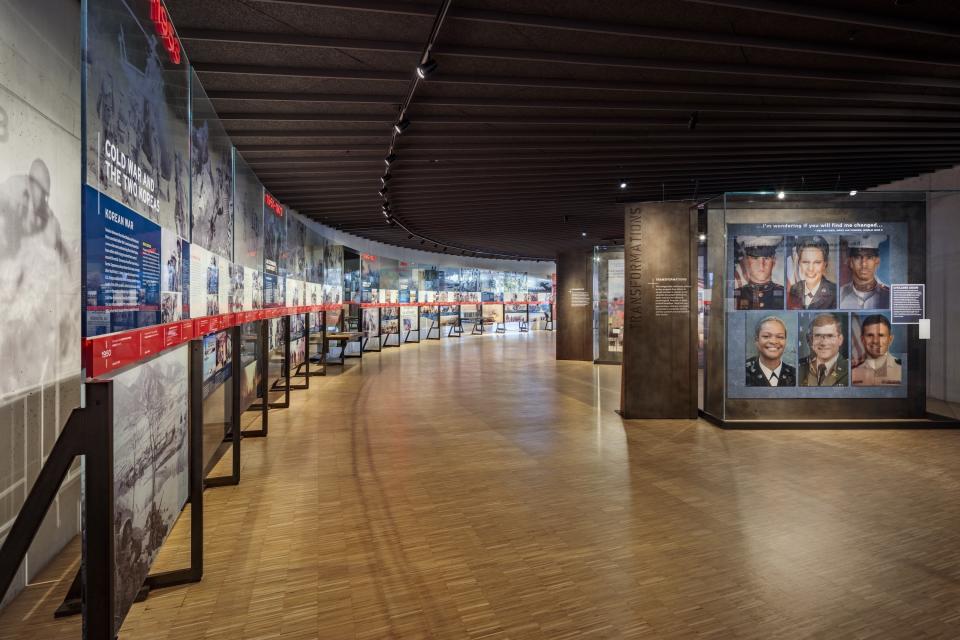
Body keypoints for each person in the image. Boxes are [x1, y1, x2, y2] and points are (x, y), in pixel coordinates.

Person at [839, 235, 890, 309]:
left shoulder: (891, 295)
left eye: (869, 257)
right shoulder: (839, 295)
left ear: (877, 261)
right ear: (850, 262)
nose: (864, 264)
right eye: (857, 257)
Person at [798, 313, 848, 386]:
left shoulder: (852, 370)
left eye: (830, 336)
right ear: (810, 340)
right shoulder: (798, 368)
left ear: (840, 339)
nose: (823, 343)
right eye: (818, 336)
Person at [734, 236, 784, 310]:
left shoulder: (785, 295)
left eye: (766, 258)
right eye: (755, 258)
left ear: (774, 262)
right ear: (747, 262)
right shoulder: (735, 295)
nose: (761, 265)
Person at [787, 235, 836, 309]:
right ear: (799, 263)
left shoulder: (835, 293)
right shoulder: (794, 289)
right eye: (805, 262)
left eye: (817, 262)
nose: (810, 269)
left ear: (824, 264)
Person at [745, 316, 796, 387]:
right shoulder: (742, 371)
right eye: (766, 336)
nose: (773, 341)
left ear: (785, 341)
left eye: (780, 337)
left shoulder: (795, 374)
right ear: (757, 340)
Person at [852, 314, 902, 385]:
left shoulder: (903, 368)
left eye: (881, 335)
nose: (875, 341)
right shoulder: (851, 371)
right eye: (870, 335)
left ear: (890, 340)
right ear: (862, 339)